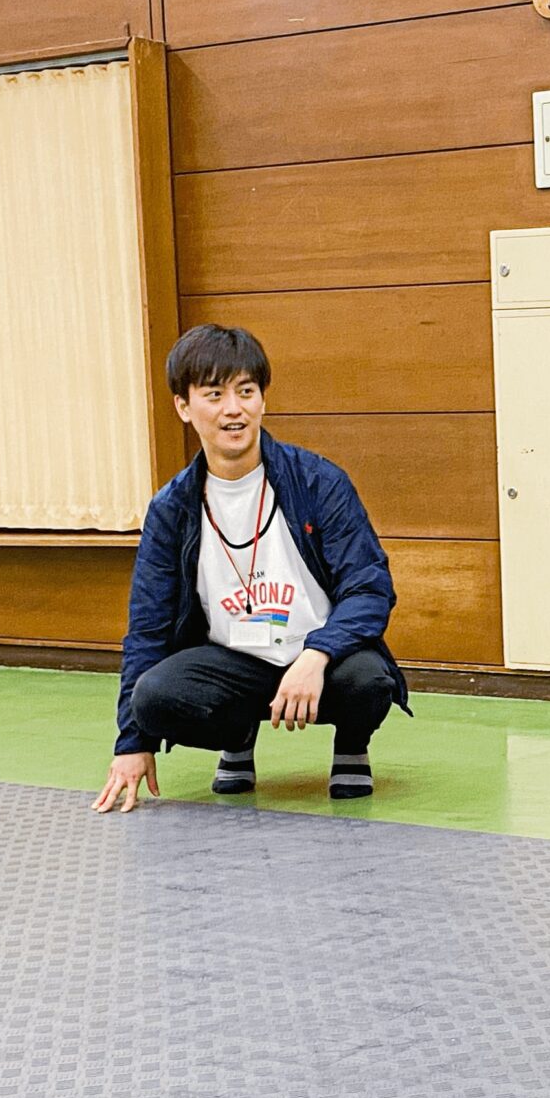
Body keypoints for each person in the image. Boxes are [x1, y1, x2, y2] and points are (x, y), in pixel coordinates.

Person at [96, 323, 406, 813]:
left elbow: (369, 589)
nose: (233, 409)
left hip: (319, 658)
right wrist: (132, 743)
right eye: (214, 395)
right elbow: (148, 627)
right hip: (234, 661)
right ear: (184, 407)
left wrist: (317, 654)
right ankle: (236, 736)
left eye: (246, 391)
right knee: (154, 697)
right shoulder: (172, 508)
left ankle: (351, 745)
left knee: (368, 680)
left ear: (262, 398)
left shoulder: (318, 482)